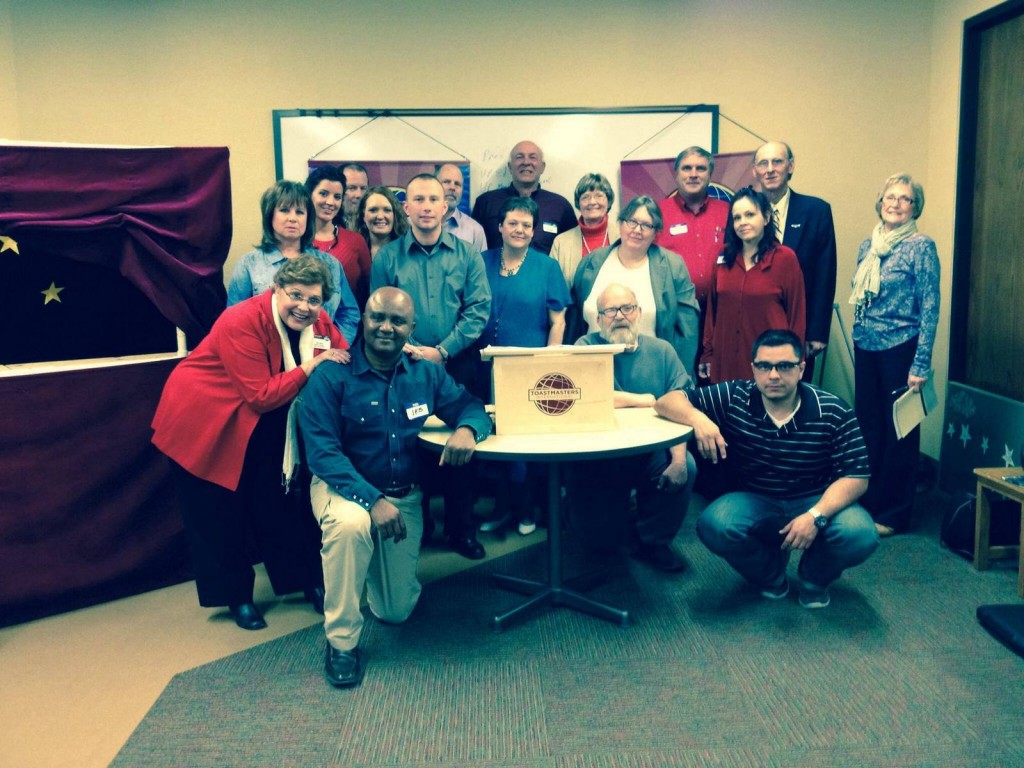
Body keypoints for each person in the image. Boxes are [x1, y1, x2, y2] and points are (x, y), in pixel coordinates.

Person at [299, 287, 491, 688]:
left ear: (412, 328)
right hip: (342, 488)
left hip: (403, 495)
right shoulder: (332, 375)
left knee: (394, 611)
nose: (386, 327)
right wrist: (371, 502)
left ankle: (369, 566)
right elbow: (323, 455)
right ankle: (342, 641)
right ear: (364, 320)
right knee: (351, 527)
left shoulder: (425, 372)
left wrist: (469, 430)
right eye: (377, 317)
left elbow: (470, 405)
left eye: (397, 320)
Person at [151, 255, 350, 630]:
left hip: (264, 420)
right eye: (296, 295)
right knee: (219, 513)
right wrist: (311, 367)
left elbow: (342, 359)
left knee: (281, 501)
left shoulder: (320, 322)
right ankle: (236, 597)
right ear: (275, 289)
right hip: (205, 419)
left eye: (314, 300)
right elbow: (260, 395)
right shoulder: (241, 319)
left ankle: (304, 581)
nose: (305, 307)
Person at [656, 329, 879, 609]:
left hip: (815, 499)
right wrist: (699, 420)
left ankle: (814, 578)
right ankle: (771, 576)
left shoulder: (833, 410)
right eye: (764, 366)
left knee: (860, 533)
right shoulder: (736, 395)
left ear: (801, 369)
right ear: (754, 369)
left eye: (784, 366)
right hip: (757, 500)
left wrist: (815, 516)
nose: (773, 375)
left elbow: (857, 477)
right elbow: (665, 402)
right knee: (715, 524)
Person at [370, 174, 491, 559]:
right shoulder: (388, 257)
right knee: (411, 446)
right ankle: (419, 528)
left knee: (462, 444)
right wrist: (408, 350)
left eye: (433, 199)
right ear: (406, 208)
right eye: (417, 199)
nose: (425, 206)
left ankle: (462, 530)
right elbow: (378, 311)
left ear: (446, 207)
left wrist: (442, 350)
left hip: (458, 363)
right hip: (402, 367)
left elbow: (478, 310)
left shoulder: (467, 254)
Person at [567, 283, 697, 572]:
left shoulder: (662, 351)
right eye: (610, 310)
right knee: (602, 545)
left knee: (685, 466)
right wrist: (643, 400)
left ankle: (655, 540)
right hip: (597, 457)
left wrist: (677, 460)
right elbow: (584, 395)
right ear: (598, 319)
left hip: (649, 454)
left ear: (638, 312)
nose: (620, 316)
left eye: (627, 308)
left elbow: (681, 405)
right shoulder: (584, 347)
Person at [850, 173, 940, 537]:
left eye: (905, 198)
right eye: (890, 197)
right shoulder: (868, 246)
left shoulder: (921, 246)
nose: (896, 203)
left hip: (901, 348)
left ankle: (893, 513)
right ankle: (866, 503)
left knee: (899, 432)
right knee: (868, 428)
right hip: (867, 345)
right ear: (880, 201)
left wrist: (921, 363)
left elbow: (930, 306)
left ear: (915, 207)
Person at [475, 196, 571, 536]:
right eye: (512, 223)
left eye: (526, 225)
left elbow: (558, 321)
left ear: (534, 232)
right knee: (495, 440)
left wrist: (548, 365)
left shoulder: (547, 267)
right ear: (499, 227)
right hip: (484, 369)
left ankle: (528, 508)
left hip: (530, 371)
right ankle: (502, 508)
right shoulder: (480, 261)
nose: (519, 230)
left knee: (525, 443)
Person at [570, 195, 700, 378]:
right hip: (594, 371)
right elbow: (574, 323)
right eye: (632, 221)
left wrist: (681, 380)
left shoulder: (673, 266)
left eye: (647, 225)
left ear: (656, 233)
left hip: (651, 373)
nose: (637, 230)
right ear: (621, 223)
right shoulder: (591, 263)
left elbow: (688, 329)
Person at [228, 180, 361, 345]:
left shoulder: (331, 265)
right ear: (270, 215)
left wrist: (337, 346)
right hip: (267, 357)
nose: (292, 218)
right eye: (284, 210)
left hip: (322, 359)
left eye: (300, 212)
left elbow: (349, 313)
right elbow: (234, 319)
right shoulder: (249, 264)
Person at [699, 186, 806, 384]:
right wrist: (707, 354)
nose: (742, 222)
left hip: (770, 362)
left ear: (766, 218)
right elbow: (712, 312)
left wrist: (795, 360)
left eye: (749, 214)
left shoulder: (785, 259)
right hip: (726, 359)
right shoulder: (723, 257)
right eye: (737, 217)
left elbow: (796, 315)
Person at [752, 141, 837, 381]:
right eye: (763, 163)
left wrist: (817, 332)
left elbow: (825, 274)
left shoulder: (816, 211)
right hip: (753, 325)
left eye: (777, 162)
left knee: (794, 395)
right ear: (754, 171)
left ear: (791, 167)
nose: (770, 169)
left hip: (799, 327)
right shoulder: (744, 211)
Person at [655, 146, 730, 317]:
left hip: (721, 312)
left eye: (701, 168)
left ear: (710, 175)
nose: (693, 174)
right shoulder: (657, 213)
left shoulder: (728, 212)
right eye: (687, 168)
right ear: (677, 174)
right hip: (675, 313)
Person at [471, 140, 577, 254]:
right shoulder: (486, 202)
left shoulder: (560, 206)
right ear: (510, 167)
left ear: (542, 167)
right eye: (519, 157)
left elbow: (570, 251)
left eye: (533, 157)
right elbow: (472, 250)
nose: (526, 162)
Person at [305, 165, 372, 307]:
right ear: (309, 194)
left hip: (346, 324)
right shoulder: (296, 239)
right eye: (323, 194)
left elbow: (367, 290)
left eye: (337, 197)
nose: (330, 202)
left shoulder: (355, 241)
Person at [549, 172, 620, 289]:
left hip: (617, 306)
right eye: (585, 197)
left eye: (599, 195)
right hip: (572, 307)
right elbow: (553, 287)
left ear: (609, 202)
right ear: (579, 204)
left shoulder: (623, 237)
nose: (592, 202)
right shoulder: (561, 242)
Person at [436, 163, 487, 252]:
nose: (452, 187)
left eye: (457, 184)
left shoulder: (475, 231)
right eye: (447, 182)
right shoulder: (411, 225)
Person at [356, 186, 409, 259]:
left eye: (387, 210)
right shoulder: (354, 251)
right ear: (363, 216)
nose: (380, 216)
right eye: (373, 210)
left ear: (395, 215)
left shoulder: (409, 251)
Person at [340, 162, 369, 232]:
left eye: (363, 188)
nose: (359, 195)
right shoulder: (328, 225)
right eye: (352, 188)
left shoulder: (374, 224)